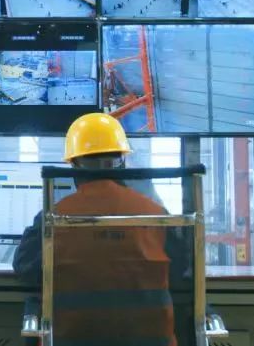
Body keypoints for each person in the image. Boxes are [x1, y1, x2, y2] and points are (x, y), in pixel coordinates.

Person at [13, 113, 182, 346]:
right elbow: (181, 272)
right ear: (122, 160)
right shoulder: (157, 215)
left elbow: (26, 269)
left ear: (74, 165)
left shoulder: (54, 217)